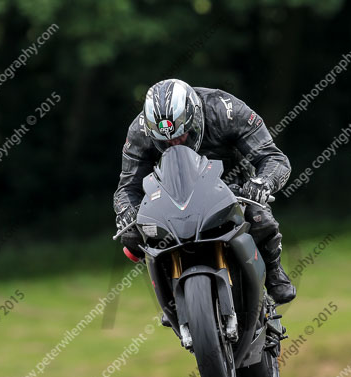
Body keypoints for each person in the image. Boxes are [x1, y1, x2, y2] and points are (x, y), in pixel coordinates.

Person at [113, 79, 296, 304]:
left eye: (182, 136)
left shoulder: (227, 111)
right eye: (166, 141)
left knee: (260, 217)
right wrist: (125, 211)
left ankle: (273, 272)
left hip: (232, 188)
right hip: (172, 198)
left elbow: (273, 158)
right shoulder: (140, 130)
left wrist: (263, 183)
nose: (175, 143)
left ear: (195, 117)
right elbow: (127, 187)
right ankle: (170, 294)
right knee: (132, 236)